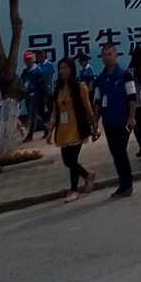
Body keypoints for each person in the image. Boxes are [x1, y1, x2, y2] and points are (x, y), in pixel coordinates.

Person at [47, 56, 100, 203]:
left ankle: (73, 189)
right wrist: (50, 131)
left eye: (66, 68)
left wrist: (94, 125)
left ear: (72, 69)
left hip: (77, 127)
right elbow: (55, 111)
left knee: (72, 160)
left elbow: (88, 107)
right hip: (62, 129)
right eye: (60, 68)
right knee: (67, 161)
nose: (62, 71)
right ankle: (87, 175)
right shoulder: (58, 87)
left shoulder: (79, 86)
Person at [93, 44, 138, 198]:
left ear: (116, 55)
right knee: (115, 153)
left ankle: (128, 183)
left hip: (123, 120)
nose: (107, 58)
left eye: (110, 54)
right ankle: (123, 183)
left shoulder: (125, 75)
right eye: (104, 55)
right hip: (108, 122)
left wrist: (132, 117)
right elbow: (97, 101)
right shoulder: (100, 78)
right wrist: (95, 122)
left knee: (120, 151)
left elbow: (132, 97)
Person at [20, 51, 47, 141]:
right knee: (33, 113)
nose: (29, 61)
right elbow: (22, 81)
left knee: (32, 114)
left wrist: (42, 95)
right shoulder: (25, 71)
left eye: (30, 59)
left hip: (35, 93)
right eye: (27, 59)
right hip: (27, 94)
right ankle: (45, 127)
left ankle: (30, 134)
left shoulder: (37, 70)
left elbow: (41, 84)